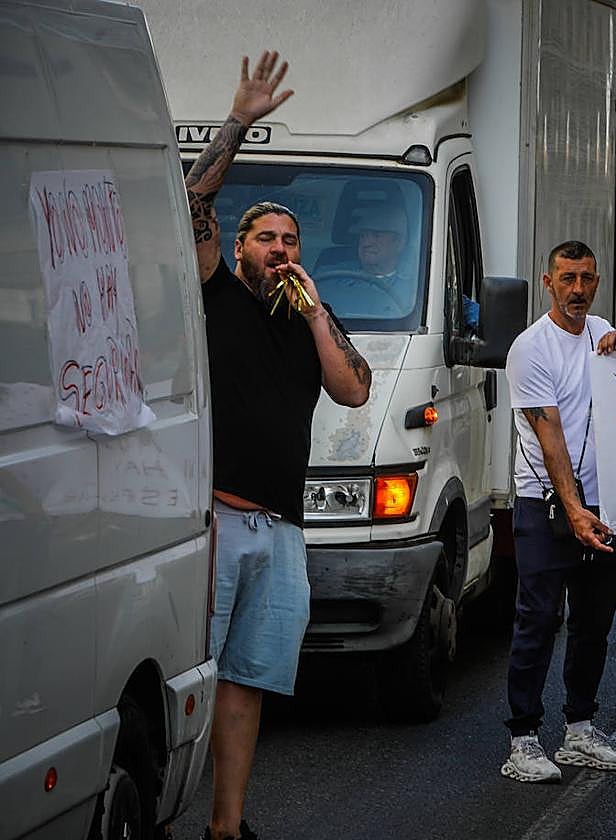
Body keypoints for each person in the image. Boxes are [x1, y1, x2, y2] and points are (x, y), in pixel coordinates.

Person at [184, 51, 372, 840]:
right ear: (237, 248)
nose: (280, 249)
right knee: (191, 682)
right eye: (266, 238)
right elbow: (194, 196)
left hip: (282, 531)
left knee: (248, 682)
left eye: (290, 239)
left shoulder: (309, 322)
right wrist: (239, 120)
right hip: (218, 522)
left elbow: (354, 389)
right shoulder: (215, 293)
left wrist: (318, 305)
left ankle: (227, 826)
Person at [501, 240, 616, 783]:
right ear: (547, 282)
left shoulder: (601, 332)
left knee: (593, 624)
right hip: (546, 505)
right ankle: (523, 739)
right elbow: (549, 431)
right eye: (567, 278)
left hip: (607, 504)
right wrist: (575, 510)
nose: (576, 289)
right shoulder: (531, 349)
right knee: (537, 619)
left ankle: (579, 732)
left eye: (585, 278)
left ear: (597, 282)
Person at [338, 203, 479, 329]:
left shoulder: (421, 285)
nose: (366, 242)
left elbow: (470, 311)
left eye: (377, 235)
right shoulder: (333, 276)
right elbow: (315, 304)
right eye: (363, 235)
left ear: (399, 243)